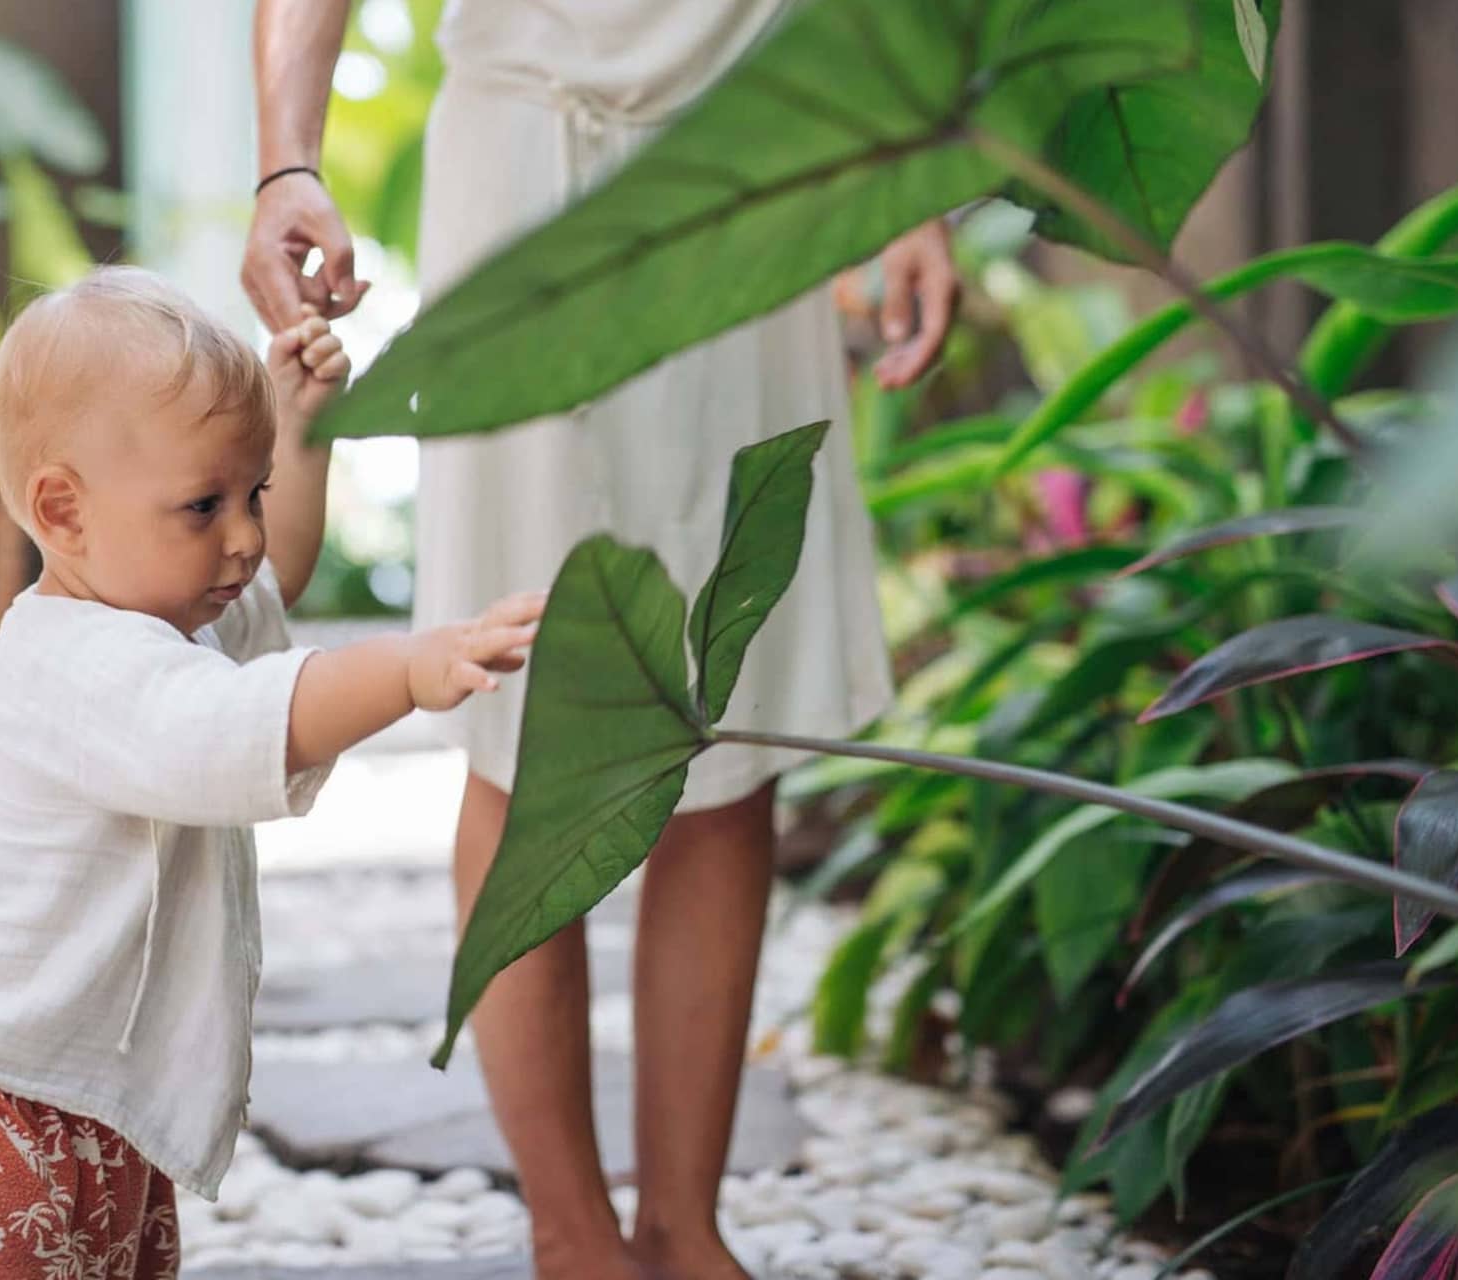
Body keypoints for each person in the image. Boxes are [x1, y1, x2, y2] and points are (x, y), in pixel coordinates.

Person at [244, 5, 960, 1279]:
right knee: (517, 718)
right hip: (523, 161)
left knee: (727, 718)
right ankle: (570, 1236)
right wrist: (286, 158)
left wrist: (908, 168)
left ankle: (687, 1229)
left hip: (763, 145)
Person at [0, 266, 543, 1279]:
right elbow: (243, 722)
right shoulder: (74, 660)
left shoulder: (172, 619)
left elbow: (279, 578)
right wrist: (409, 666)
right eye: (204, 503)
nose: (245, 535)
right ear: (64, 512)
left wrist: (301, 429)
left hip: (88, 1087)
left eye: (249, 492)